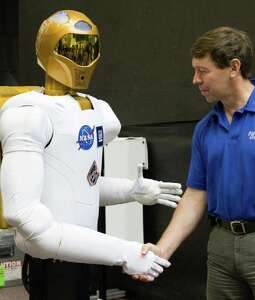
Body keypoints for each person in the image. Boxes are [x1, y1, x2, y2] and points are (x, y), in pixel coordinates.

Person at [0, 10, 183, 298]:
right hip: (54, 264)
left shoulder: (97, 112)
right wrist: (123, 251)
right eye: (72, 48)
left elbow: (80, 187)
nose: (82, 58)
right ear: (49, 50)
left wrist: (130, 191)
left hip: (85, 258)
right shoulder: (28, 115)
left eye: (89, 49)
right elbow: (23, 214)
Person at [137, 26, 255, 299]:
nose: (195, 80)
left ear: (233, 67)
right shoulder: (206, 128)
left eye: (203, 71)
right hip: (222, 247)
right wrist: (162, 250)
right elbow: (196, 194)